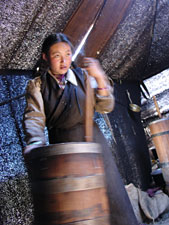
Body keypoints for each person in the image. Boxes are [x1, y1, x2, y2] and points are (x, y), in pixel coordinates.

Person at [23, 33, 138, 225]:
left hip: (94, 146)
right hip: (62, 151)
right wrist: (34, 144)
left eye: (67, 54)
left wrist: (100, 78)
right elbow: (34, 118)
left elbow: (105, 107)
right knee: (77, 210)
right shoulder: (37, 85)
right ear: (45, 57)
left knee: (113, 199)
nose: (63, 61)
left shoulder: (85, 77)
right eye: (56, 55)